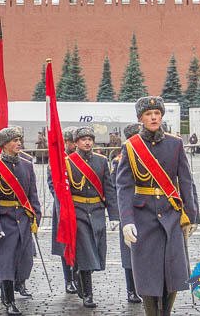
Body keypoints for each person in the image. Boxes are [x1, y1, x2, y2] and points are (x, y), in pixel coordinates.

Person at [116, 96, 198, 316]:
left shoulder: (175, 143)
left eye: (157, 114)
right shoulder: (131, 147)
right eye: (148, 114)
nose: (153, 117)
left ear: (161, 116)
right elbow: (123, 186)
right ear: (141, 118)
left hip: (172, 215)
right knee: (147, 272)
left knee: (172, 270)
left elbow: (186, 181)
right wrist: (127, 221)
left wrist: (190, 215)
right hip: (144, 216)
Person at [0, 127, 41, 316]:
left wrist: (36, 217)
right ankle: (9, 301)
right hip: (5, 219)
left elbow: (32, 193)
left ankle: (14, 287)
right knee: (6, 263)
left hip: (23, 219)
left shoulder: (26, 164)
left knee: (24, 261)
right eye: (14, 141)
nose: (18, 143)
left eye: (19, 140)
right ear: (4, 145)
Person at [65, 126, 119, 308]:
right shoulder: (68, 162)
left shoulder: (101, 161)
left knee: (95, 251)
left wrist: (114, 215)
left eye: (90, 139)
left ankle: (79, 273)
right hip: (78, 211)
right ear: (76, 143)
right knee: (87, 251)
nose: (87, 142)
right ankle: (88, 294)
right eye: (83, 139)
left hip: (96, 210)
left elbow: (109, 189)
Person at [110, 123, 143, 304]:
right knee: (129, 252)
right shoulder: (119, 159)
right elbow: (117, 189)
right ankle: (131, 290)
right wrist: (117, 215)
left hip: (147, 209)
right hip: (129, 210)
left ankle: (146, 287)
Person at [48, 129, 77, 295]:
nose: (73, 145)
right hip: (63, 207)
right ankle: (69, 280)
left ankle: (80, 276)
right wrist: (63, 198)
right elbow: (52, 184)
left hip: (79, 207)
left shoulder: (81, 158)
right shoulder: (58, 160)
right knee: (65, 244)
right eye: (71, 141)